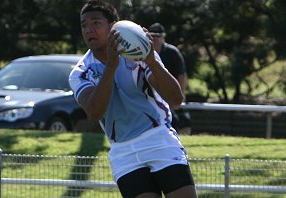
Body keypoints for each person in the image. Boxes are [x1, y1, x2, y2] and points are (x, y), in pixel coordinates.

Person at [69, 1, 197, 197]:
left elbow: (176, 99)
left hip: (158, 138)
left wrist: (152, 60)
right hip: (123, 152)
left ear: (114, 27)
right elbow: (94, 112)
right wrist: (111, 66)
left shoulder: (138, 52)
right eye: (84, 25)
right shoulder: (80, 73)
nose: (89, 30)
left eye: (95, 23)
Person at [148, 23, 190, 133]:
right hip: (149, 93)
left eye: (158, 36)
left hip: (168, 92)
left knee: (180, 119)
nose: (155, 39)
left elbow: (181, 75)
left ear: (163, 37)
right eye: (152, 36)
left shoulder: (173, 52)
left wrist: (180, 95)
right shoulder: (142, 51)